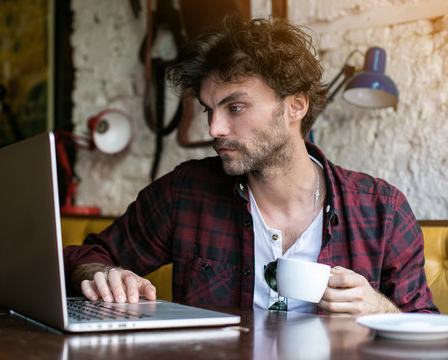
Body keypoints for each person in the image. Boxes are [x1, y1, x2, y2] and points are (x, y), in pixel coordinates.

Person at [64, 17, 439, 315]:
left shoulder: (381, 210)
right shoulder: (186, 192)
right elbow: (86, 257)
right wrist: (103, 275)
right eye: (210, 110)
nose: (214, 128)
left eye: (235, 107)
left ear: (296, 105)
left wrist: (380, 310)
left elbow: (424, 328)